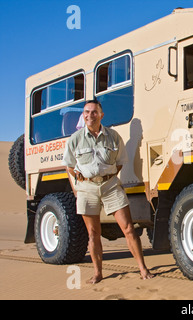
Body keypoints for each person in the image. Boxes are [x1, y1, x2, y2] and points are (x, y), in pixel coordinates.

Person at [62, 100, 154, 284]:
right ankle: (98, 273)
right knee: (93, 233)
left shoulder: (113, 137)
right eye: (86, 112)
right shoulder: (75, 139)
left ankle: (143, 269)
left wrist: (107, 177)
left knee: (128, 228)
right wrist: (77, 187)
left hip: (111, 186)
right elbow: (69, 166)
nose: (90, 115)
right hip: (86, 188)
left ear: (101, 115)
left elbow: (120, 161)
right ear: (83, 115)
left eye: (94, 112)